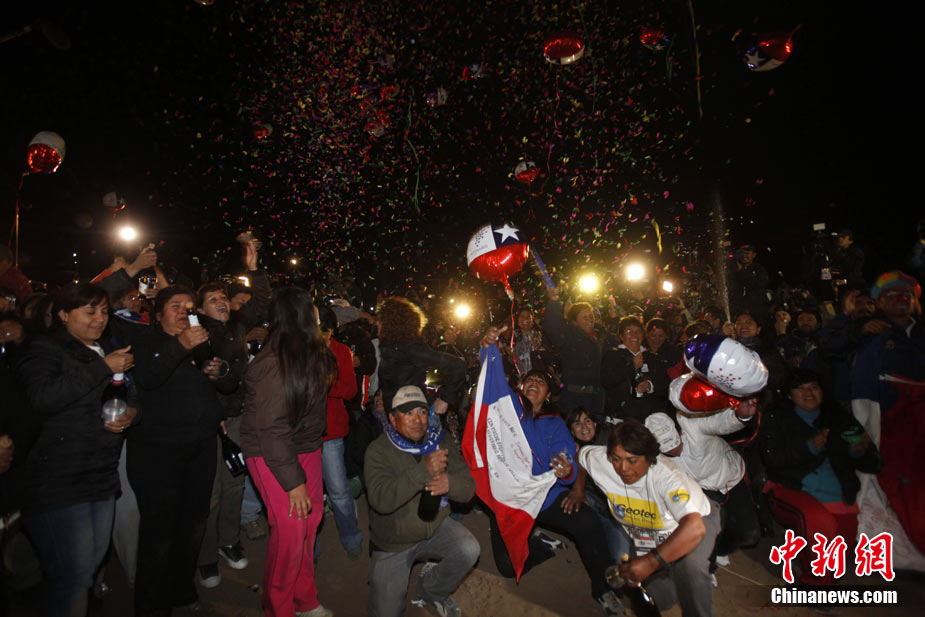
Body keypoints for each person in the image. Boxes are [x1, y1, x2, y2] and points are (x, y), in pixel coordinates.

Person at [480, 326, 623, 616]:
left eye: (541, 382)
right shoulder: (505, 410)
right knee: (508, 567)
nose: (534, 382)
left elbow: (565, 454)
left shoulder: (555, 423)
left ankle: (604, 589)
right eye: (529, 379)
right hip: (509, 499)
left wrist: (566, 468)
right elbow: (491, 378)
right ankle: (539, 545)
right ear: (520, 388)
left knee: (587, 522)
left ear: (547, 395)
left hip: (545, 497)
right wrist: (487, 347)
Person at [14, 283, 137, 617]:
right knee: (73, 575)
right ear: (64, 315)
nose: (99, 319)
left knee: (89, 565)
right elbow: (43, 398)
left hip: (101, 474)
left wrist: (130, 413)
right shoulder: (43, 348)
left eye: (104, 312)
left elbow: (132, 394)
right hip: (58, 478)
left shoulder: (106, 348)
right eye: (89, 311)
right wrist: (103, 367)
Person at [129, 285, 237, 616]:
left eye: (188, 306)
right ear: (158, 314)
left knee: (193, 525)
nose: (183, 311)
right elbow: (147, 377)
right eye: (175, 305)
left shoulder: (203, 340)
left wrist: (220, 371)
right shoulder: (147, 342)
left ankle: (180, 588)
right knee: (159, 530)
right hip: (158, 452)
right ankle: (151, 604)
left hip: (200, 447)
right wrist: (180, 345)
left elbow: (229, 384)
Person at [239, 287, 334, 617]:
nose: (318, 313)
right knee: (292, 528)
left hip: (305, 446)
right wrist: (294, 483)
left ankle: (304, 599)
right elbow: (272, 430)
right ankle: (278, 607)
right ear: (302, 314)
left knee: (310, 521)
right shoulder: (272, 362)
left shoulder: (310, 351)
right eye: (312, 307)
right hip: (271, 450)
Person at [579, 419, 719, 617]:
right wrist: (578, 491)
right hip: (648, 533)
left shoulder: (667, 478)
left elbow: (694, 527)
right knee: (656, 594)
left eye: (632, 460)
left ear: (650, 457)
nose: (623, 468)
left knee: (690, 569)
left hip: (694, 520)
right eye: (616, 459)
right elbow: (581, 457)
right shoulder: (602, 460)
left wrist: (652, 561)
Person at [364, 385, 479, 617]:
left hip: (435, 526)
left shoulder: (440, 441)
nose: (417, 420)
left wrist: (451, 484)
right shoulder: (378, 450)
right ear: (392, 419)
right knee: (386, 613)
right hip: (394, 542)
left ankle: (431, 588)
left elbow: (469, 488)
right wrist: (424, 471)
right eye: (408, 413)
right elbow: (380, 499)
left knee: (469, 549)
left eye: (423, 412)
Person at [195, 237, 270, 586]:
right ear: (199, 310)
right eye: (213, 300)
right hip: (209, 423)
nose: (222, 302)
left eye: (223, 297)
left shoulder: (236, 327)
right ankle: (206, 556)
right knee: (210, 493)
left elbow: (261, 302)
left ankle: (228, 541)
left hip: (237, 417)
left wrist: (253, 268)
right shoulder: (196, 336)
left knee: (235, 485)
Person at [760, 369, 881, 586]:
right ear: (789, 395)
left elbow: (874, 463)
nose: (809, 393)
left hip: (837, 495)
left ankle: (819, 577)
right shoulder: (777, 417)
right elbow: (772, 459)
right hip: (791, 488)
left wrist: (859, 452)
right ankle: (813, 585)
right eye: (801, 388)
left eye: (814, 387)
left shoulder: (840, 418)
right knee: (818, 524)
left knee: (836, 559)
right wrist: (810, 447)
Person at [644, 407, 760, 574]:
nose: (674, 450)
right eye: (667, 447)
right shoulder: (656, 460)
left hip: (730, 476)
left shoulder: (693, 424)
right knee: (709, 528)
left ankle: (721, 550)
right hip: (701, 489)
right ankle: (708, 567)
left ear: (678, 430)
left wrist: (740, 416)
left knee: (749, 534)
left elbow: (722, 422)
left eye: (675, 441)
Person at [317, 305, 363, 559]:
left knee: (338, 490)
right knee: (308, 492)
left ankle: (351, 536)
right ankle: (309, 546)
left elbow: (350, 390)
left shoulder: (341, 351)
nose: (319, 335)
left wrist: (324, 385)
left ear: (331, 330)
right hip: (302, 433)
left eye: (323, 330)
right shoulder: (300, 349)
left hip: (331, 433)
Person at [561, 407, 633, 569]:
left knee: (625, 556)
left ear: (595, 424)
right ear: (571, 431)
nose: (584, 427)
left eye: (587, 421)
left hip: (624, 501)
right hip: (599, 505)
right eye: (577, 424)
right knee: (617, 556)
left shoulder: (610, 439)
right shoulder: (568, 449)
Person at [376, 296, 467, 416]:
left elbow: (457, 365)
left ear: (391, 323)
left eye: (380, 320)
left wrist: (445, 399)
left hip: (416, 418)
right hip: (398, 417)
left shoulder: (410, 348)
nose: (377, 323)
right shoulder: (391, 348)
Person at [542, 286, 617, 419]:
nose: (589, 320)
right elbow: (552, 327)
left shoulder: (603, 335)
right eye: (584, 317)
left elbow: (619, 345)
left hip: (599, 399)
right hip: (575, 399)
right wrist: (554, 302)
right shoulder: (569, 335)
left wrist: (614, 319)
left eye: (591, 316)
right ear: (575, 321)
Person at [600, 317, 669, 423]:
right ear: (621, 336)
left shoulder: (651, 357)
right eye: (629, 331)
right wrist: (632, 366)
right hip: (619, 418)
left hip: (647, 419)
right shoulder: (613, 355)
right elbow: (607, 381)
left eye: (638, 331)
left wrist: (649, 385)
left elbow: (665, 386)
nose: (634, 335)